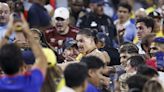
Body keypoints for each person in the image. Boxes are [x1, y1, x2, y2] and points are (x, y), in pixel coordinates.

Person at [0, 13, 48, 92]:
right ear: (22, 64)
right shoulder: (32, 82)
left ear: (1, 66)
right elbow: (41, 58)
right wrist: (27, 32)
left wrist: (8, 32)